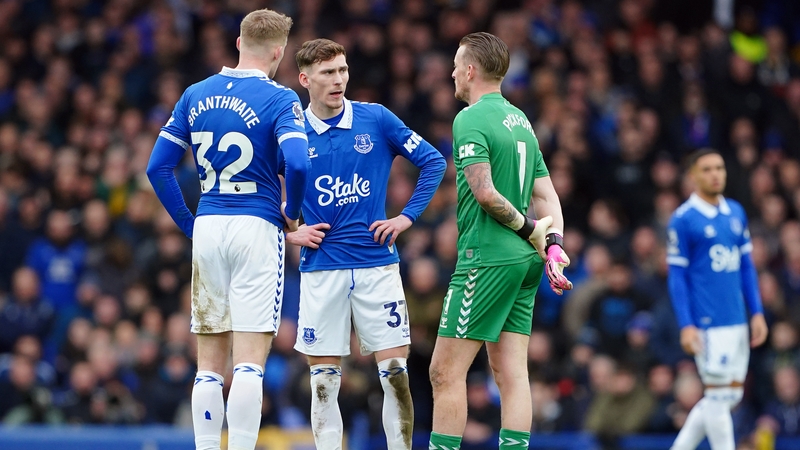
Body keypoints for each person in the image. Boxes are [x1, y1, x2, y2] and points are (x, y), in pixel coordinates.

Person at [145, 9, 310, 450]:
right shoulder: (281, 99)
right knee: (249, 365)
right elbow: (297, 162)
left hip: (210, 224)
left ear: (238, 44)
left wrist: (190, 223)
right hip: (256, 225)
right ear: (279, 52)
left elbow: (157, 167)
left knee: (208, 365)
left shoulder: (195, 94)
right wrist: (290, 212)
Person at [285, 39, 446, 450]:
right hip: (322, 268)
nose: (338, 80)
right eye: (328, 73)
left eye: (342, 70)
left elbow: (434, 161)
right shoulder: (290, 130)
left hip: (377, 266)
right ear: (305, 79)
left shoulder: (375, 119)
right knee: (323, 383)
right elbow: (261, 187)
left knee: (395, 373)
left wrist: (406, 217)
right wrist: (287, 232)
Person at [427, 32, 573, 450]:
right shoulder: (520, 120)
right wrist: (553, 243)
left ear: (470, 70)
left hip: (488, 258)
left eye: (456, 65)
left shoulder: (469, 118)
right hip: (526, 263)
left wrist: (530, 229)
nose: (453, 72)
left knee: (444, 372)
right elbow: (547, 195)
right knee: (511, 373)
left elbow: (485, 193)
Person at [666, 148, 768, 450]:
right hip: (708, 323)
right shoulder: (683, 219)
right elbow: (676, 277)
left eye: (720, 168)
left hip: (737, 319)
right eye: (707, 169)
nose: (715, 174)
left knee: (726, 397)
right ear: (693, 176)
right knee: (719, 398)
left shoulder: (735, 212)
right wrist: (687, 324)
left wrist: (757, 312)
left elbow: (746, 266)